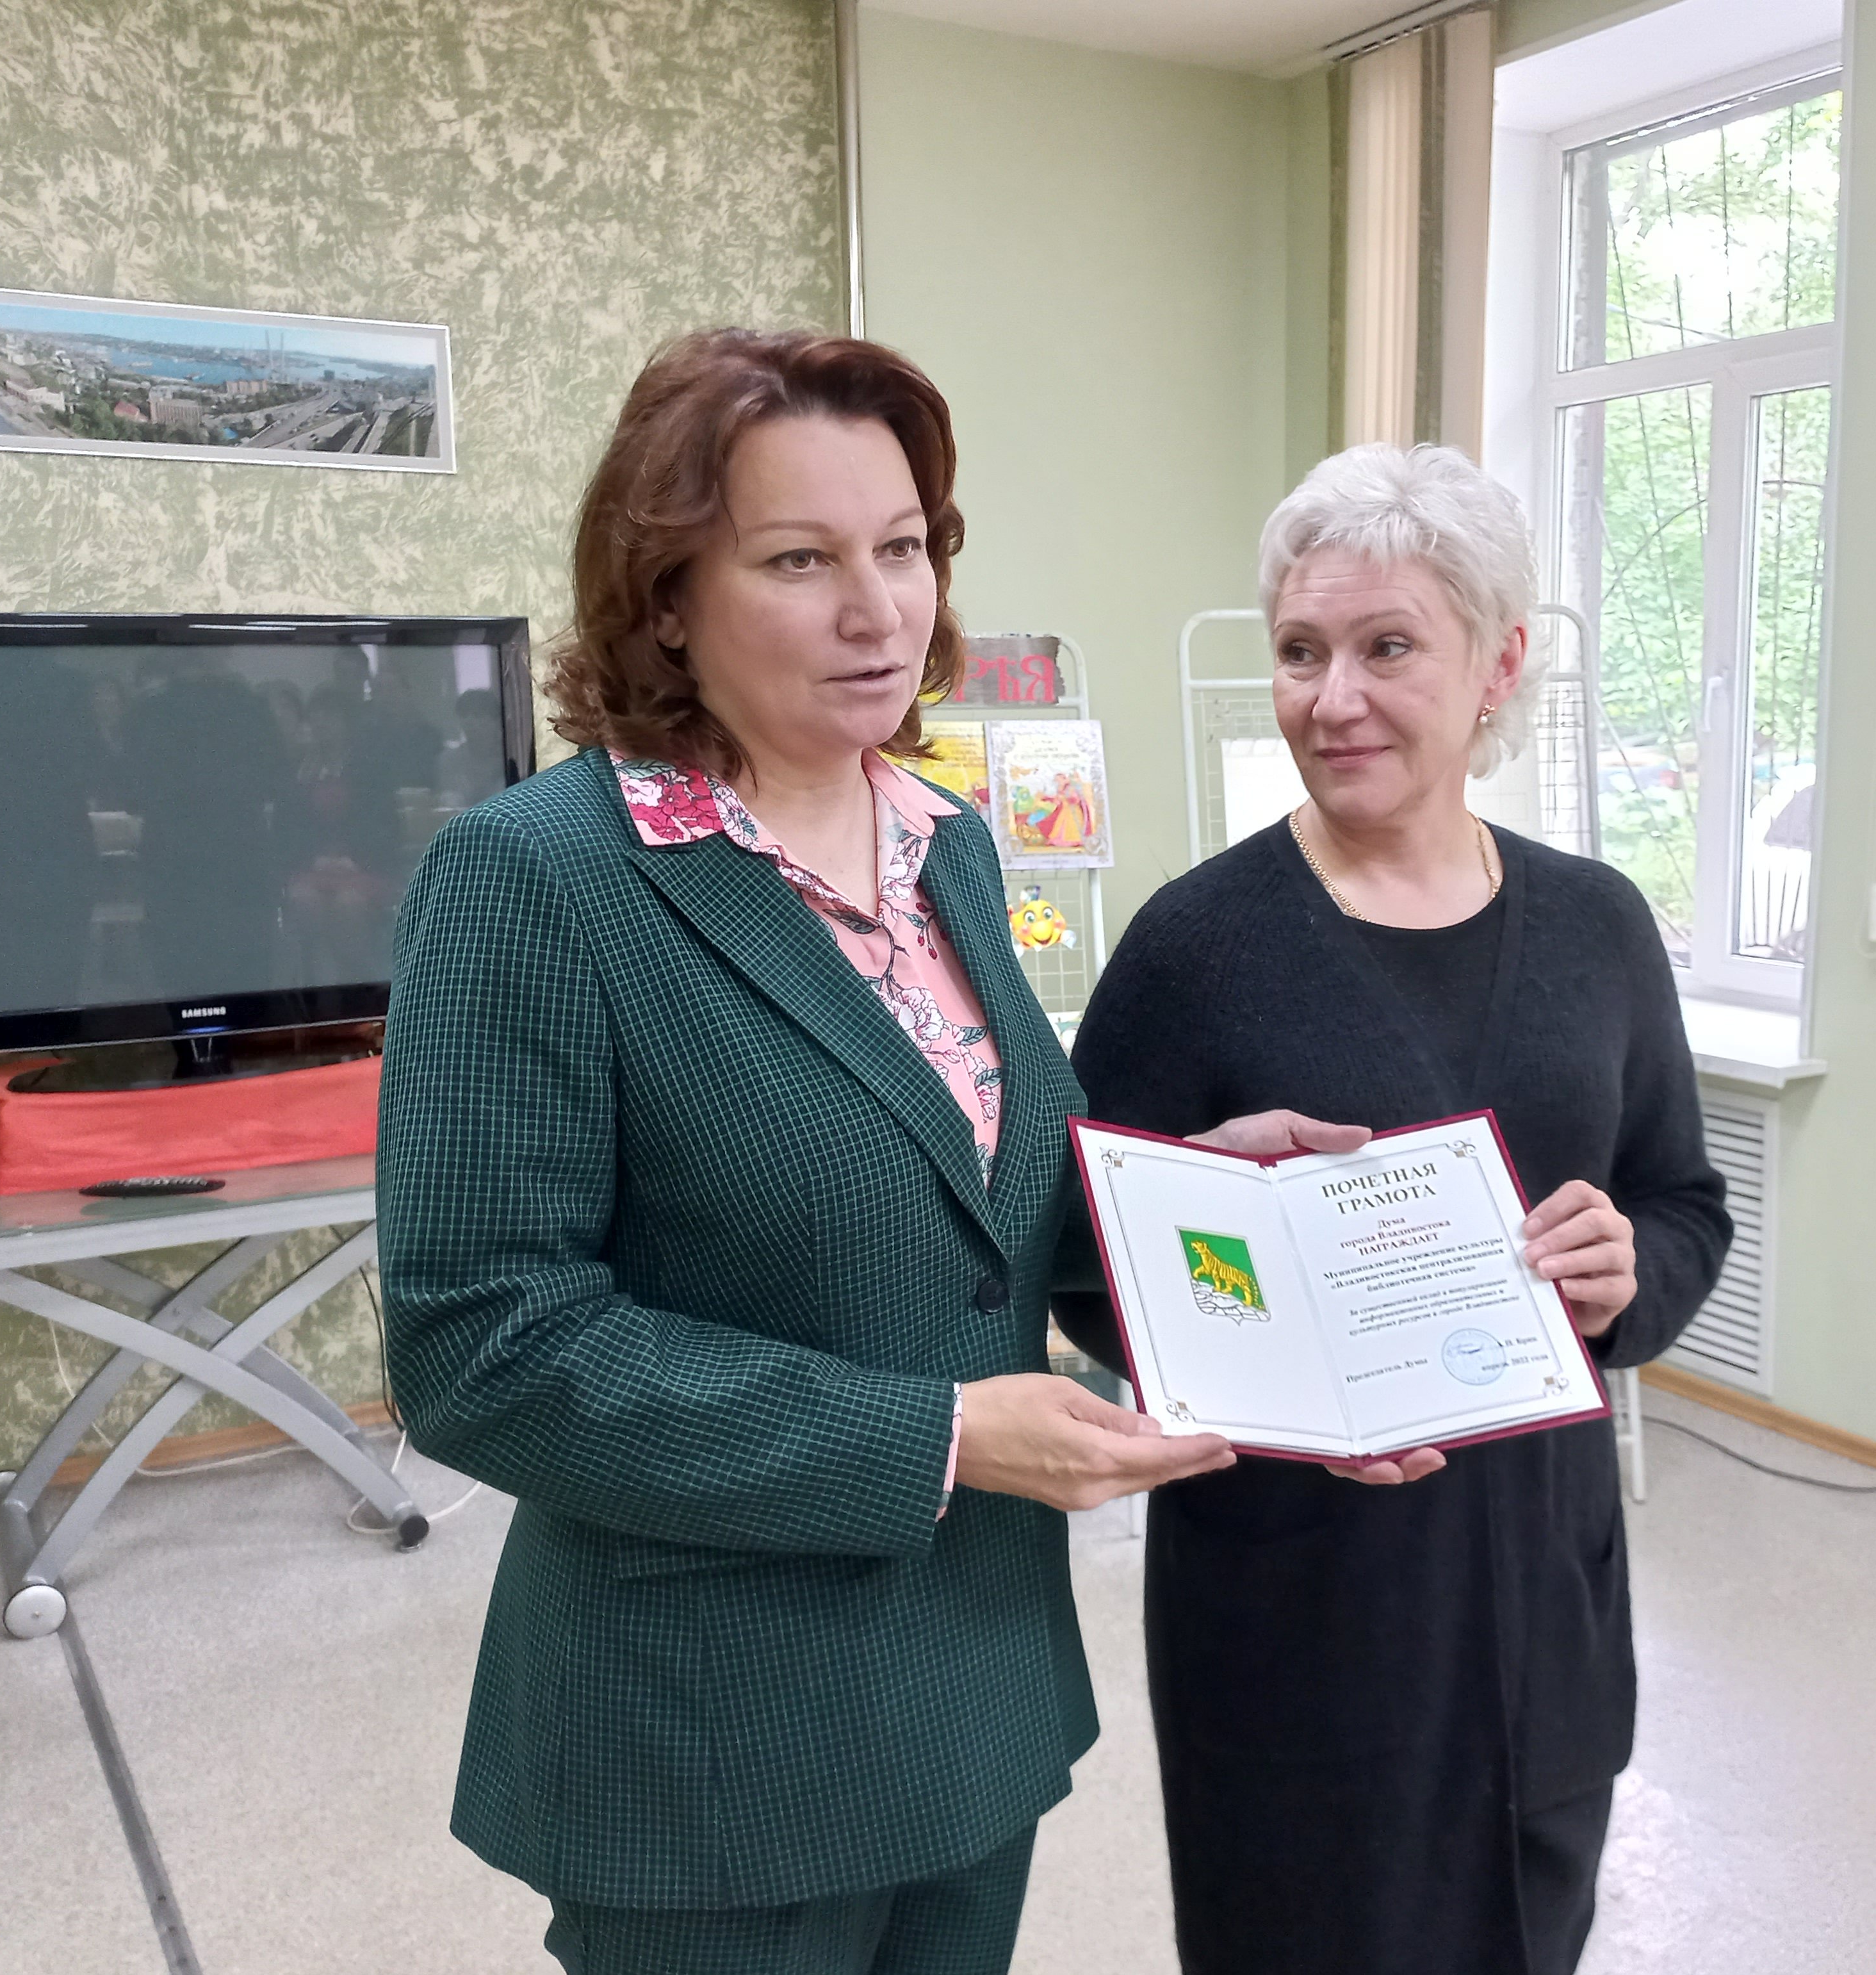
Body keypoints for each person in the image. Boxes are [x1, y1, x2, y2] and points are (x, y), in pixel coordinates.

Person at [376, 329, 1232, 1975]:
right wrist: (938, 1438)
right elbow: (484, 1347)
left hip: (974, 1690)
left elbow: (988, 1195)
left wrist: (1225, 1203)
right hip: (717, 1743)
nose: (877, 612)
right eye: (799, 560)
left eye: (902, 548)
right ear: (666, 599)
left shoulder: (945, 844)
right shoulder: (536, 881)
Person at [1054, 441, 1735, 1975]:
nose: (1331, 698)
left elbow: (1681, 1203)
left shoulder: (1597, 929)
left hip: (1541, 1586)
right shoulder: (1194, 948)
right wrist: (1224, 1259)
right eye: (1299, 652)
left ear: (1496, 665)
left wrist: (1627, 1273)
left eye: (1385, 648)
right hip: (1298, 1597)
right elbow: (1083, 1267)